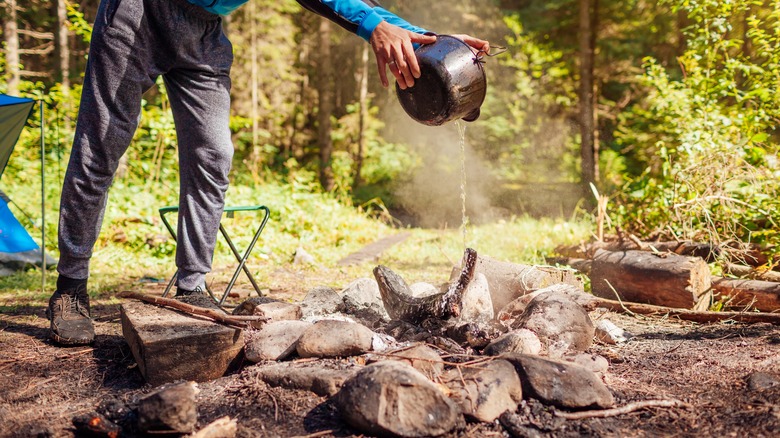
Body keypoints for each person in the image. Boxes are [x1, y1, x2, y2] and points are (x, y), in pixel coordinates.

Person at [47, 0, 490, 345]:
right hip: (138, 15)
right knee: (100, 145)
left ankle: (191, 285)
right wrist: (372, 27)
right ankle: (70, 288)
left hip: (202, 31)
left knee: (213, 154)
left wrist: (420, 38)